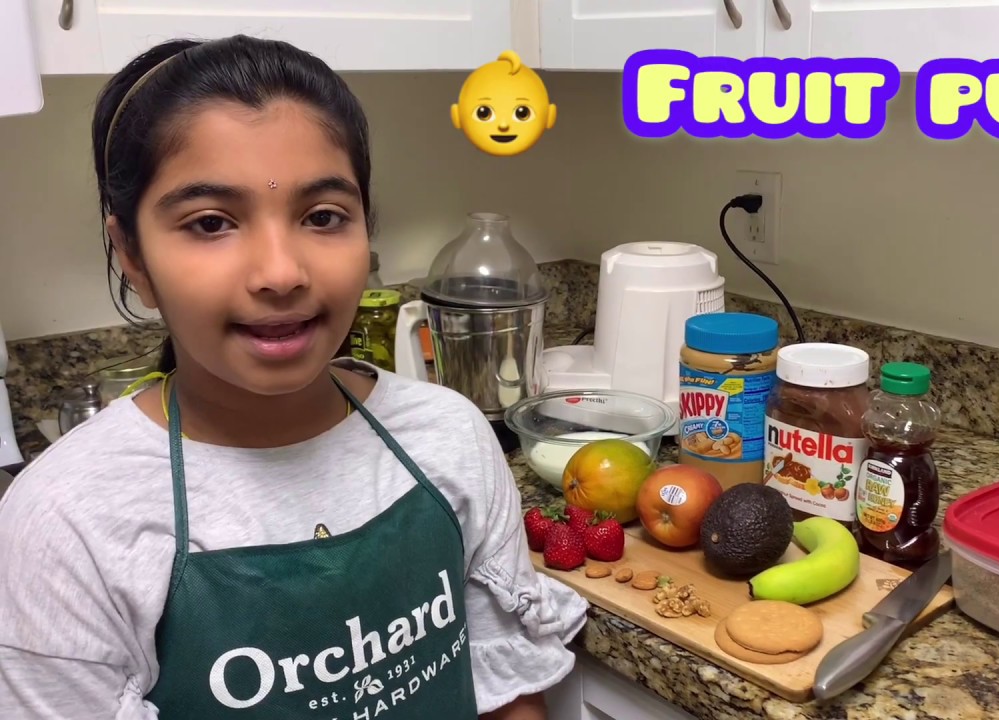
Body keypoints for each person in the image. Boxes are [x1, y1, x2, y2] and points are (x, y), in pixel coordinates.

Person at [0, 35, 587, 719]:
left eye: (323, 217)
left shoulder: (449, 437)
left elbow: (508, 698)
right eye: (211, 223)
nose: (281, 273)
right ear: (132, 254)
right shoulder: (65, 525)